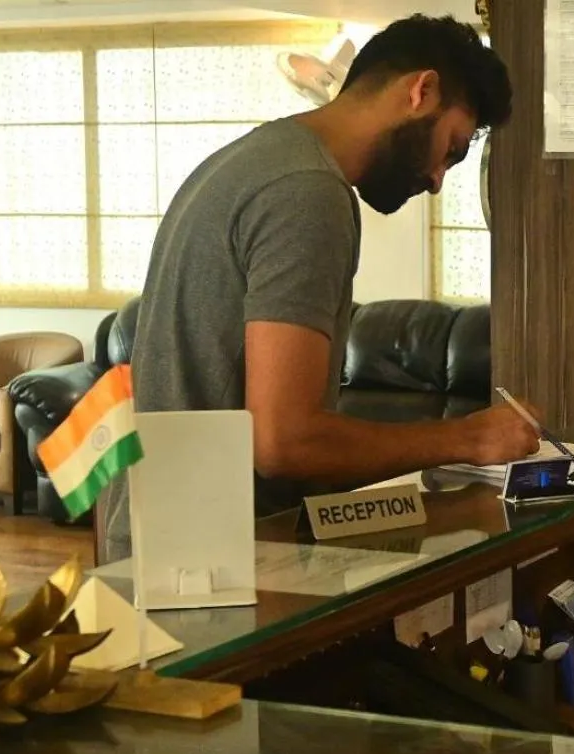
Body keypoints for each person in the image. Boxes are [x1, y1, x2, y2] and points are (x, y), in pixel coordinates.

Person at [100, 15, 539, 559]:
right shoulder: (307, 193)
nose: (435, 180)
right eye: (450, 149)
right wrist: (468, 438)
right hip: (212, 565)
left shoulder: (252, 159)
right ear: (420, 91)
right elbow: (284, 442)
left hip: (163, 539)